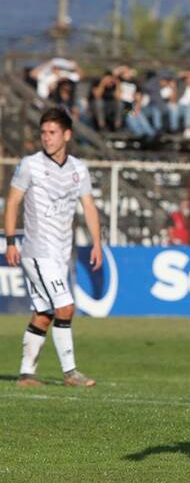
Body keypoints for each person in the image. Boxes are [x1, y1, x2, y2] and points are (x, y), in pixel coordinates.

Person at [4, 107, 102, 388]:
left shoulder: (78, 169)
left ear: (67, 135)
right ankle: (71, 373)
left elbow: (89, 206)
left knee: (44, 314)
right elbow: (12, 202)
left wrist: (96, 242)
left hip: (61, 252)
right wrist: (11, 241)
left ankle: (25, 375)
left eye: (52, 132)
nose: (46, 138)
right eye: (43, 132)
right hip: (37, 250)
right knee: (66, 306)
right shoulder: (30, 165)